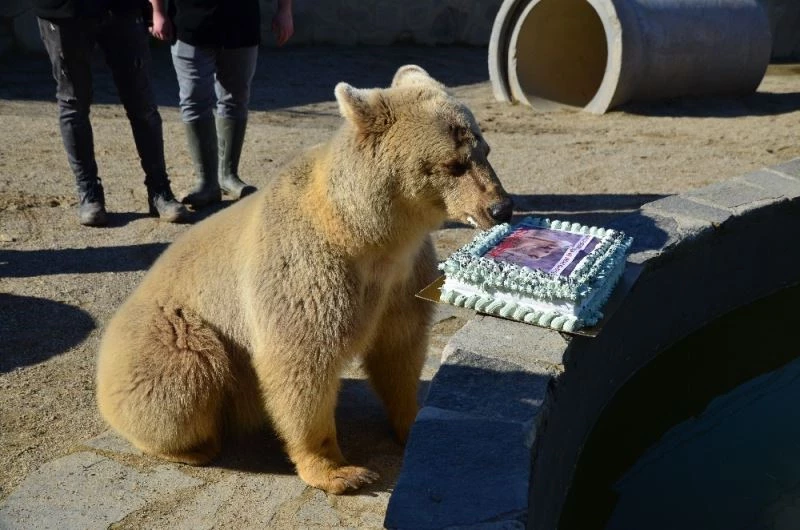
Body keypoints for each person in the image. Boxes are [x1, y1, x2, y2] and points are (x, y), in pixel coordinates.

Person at [33, 0, 189, 226]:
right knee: (73, 103)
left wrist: (156, 10)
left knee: (142, 103)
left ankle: (160, 191)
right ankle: (89, 194)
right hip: (63, 11)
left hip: (122, 10)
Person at [147, 0, 294, 207]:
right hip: (190, 25)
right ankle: (206, 182)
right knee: (194, 100)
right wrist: (157, 12)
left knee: (236, 99)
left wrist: (284, 11)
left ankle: (228, 176)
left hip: (242, 24)